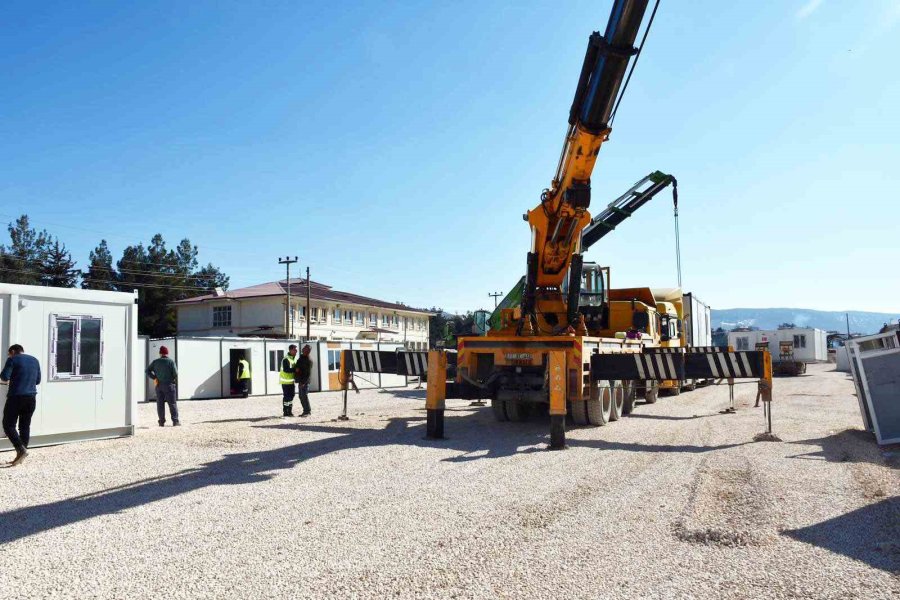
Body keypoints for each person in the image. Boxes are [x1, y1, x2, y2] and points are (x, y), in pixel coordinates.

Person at [0, 344, 41, 466]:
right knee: (24, 426)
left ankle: (20, 449)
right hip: (31, 398)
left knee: (8, 425)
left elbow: (5, 376)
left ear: (12, 351)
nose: (9, 355)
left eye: (9, 353)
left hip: (16, 397)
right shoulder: (35, 360)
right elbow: (37, 380)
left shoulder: (12, 359)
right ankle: (21, 455)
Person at [146, 346, 179, 426]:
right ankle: (175, 421)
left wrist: (154, 377)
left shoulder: (155, 362)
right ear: (167, 353)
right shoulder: (171, 362)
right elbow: (175, 374)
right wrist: (175, 382)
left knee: (160, 404)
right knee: (172, 404)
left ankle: (161, 422)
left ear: (160, 353)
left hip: (159, 385)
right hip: (169, 385)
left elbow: (147, 370)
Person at [295, 344, 314, 417]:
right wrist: (296, 368)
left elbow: (308, 373)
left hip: (304, 381)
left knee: (304, 395)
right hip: (300, 380)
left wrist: (304, 382)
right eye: (304, 349)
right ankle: (305, 411)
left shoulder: (308, 360)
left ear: (308, 351)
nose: (304, 350)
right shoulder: (301, 358)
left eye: (307, 349)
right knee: (300, 396)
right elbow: (297, 366)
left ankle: (307, 411)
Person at [280, 345, 298, 417]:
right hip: (285, 382)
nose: (296, 351)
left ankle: (289, 411)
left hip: (291, 381)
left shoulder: (294, 359)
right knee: (287, 397)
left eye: (296, 350)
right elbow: (286, 370)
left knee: (291, 396)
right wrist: (295, 370)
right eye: (294, 350)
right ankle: (286, 411)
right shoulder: (286, 359)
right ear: (290, 350)